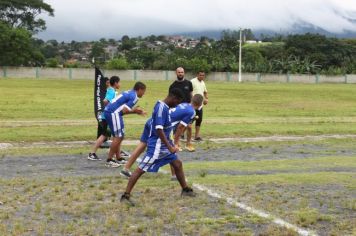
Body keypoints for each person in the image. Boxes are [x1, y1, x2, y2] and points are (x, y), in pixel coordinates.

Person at [120, 88, 196, 206]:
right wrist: (170, 147)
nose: (176, 105)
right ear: (173, 98)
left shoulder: (164, 107)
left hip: (164, 144)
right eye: (177, 102)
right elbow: (159, 129)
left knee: (177, 164)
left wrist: (171, 144)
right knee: (141, 169)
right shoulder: (161, 108)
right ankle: (126, 196)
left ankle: (185, 189)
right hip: (157, 146)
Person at [120, 94, 204, 178]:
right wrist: (176, 142)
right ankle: (174, 175)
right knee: (171, 148)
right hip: (163, 126)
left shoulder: (184, 104)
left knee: (142, 145)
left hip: (151, 122)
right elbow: (180, 127)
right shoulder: (192, 112)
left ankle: (126, 168)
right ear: (200, 104)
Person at [104, 82, 147, 167]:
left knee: (119, 136)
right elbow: (124, 111)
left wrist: (135, 112)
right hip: (113, 113)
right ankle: (109, 160)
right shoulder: (134, 97)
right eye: (144, 91)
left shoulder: (130, 92)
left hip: (111, 112)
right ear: (139, 89)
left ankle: (118, 157)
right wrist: (135, 111)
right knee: (119, 136)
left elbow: (122, 111)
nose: (144, 93)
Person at [88, 76, 120, 161]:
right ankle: (92, 153)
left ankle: (117, 154)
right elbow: (105, 101)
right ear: (116, 83)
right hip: (107, 117)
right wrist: (109, 108)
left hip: (108, 116)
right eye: (119, 82)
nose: (120, 84)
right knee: (104, 135)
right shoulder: (112, 91)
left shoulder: (112, 90)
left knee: (115, 136)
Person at [169, 67, 194, 151]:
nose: (180, 74)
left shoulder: (188, 83)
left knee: (189, 127)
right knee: (178, 128)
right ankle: (177, 144)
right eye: (179, 72)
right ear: (176, 73)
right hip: (178, 110)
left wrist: (192, 105)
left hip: (187, 109)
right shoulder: (173, 86)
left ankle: (188, 144)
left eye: (182, 72)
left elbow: (191, 94)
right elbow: (170, 98)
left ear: (184, 73)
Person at [190, 71, 208, 141]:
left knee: (199, 120)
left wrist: (206, 99)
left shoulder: (203, 83)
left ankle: (197, 136)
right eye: (200, 75)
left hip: (200, 105)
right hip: (192, 105)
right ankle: (182, 134)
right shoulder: (192, 81)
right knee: (190, 120)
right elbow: (189, 91)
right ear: (197, 75)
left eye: (203, 75)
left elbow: (205, 92)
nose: (202, 77)